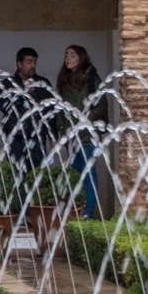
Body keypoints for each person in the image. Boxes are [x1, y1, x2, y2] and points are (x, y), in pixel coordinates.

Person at [56, 44, 103, 217]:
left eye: (72, 55)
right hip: (71, 138)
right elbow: (60, 107)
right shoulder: (65, 81)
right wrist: (61, 128)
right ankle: (76, 211)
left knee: (88, 176)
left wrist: (83, 123)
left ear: (81, 58)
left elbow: (100, 107)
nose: (68, 58)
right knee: (74, 176)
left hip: (87, 137)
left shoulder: (92, 79)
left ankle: (88, 213)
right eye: (66, 54)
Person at [3, 45, 55, 168]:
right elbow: (5, 107)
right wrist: (24, 93)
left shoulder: (43, 83)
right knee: (16, 175)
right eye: (29, 62)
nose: (33, 65)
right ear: (19, 64)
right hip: (16, 139)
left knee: (37, 178)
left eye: (34, 62)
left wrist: (52, 137)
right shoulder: (8, 84)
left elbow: (50, 111)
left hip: (37, 139)